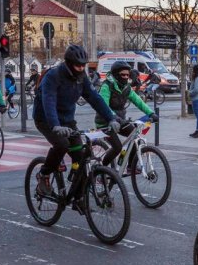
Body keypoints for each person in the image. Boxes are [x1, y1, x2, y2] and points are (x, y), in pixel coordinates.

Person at [32, 45, 129, 198]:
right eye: (78, 65)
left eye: (83, 65)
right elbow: (48, 101)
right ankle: (43, 175)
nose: (81, 68)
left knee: (81, 157)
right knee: (62, 144)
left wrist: (111, 118)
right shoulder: (54, 76)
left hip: (67, 120)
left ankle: (78, 197)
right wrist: (55, 125)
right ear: (69, 63)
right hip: (46, 119)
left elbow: (94, 98)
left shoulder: (81, 77)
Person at [95, 61, 156, 173]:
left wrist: (150, 113)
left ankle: (130, 166)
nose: (126, 77)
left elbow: (138, 101)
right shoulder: (106, 86)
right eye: (123, 75)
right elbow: (103, 106)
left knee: (135, 135)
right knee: (117, 147)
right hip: (105, 122)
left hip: (120, 121)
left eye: (127, 75)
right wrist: (113, 118)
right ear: (116, 74)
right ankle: (101, 169)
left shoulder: (126, 87)